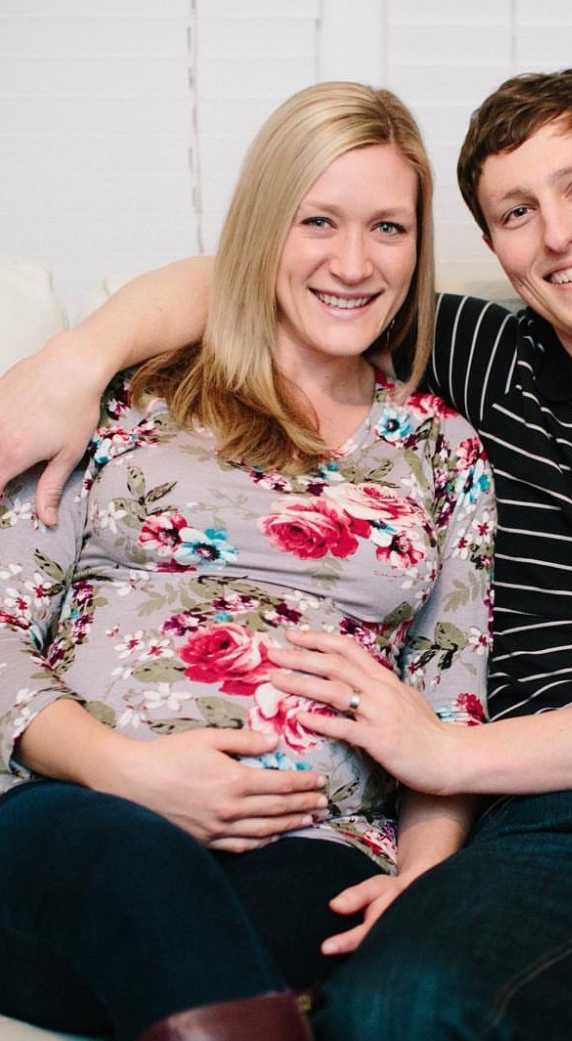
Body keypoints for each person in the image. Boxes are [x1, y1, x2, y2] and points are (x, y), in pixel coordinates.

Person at [2, 65, 572, 1040]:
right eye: (516, 210)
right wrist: (79, 358)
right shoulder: (478, 362)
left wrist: (440, 792)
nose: (557, 233)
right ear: (490, 247)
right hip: (549, 839)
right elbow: (263, 270)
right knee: (391, 1003)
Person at [0, 81, 494, 1041]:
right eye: (319, 220)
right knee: (131, 867)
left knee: (266, 944)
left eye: (389, 228)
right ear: (265, 227)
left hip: (318, 846)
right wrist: (123, 772)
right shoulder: (131, 398)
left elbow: (449, 702)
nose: (353, 263)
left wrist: (424, 880)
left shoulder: (443, 452)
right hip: (79, 813)